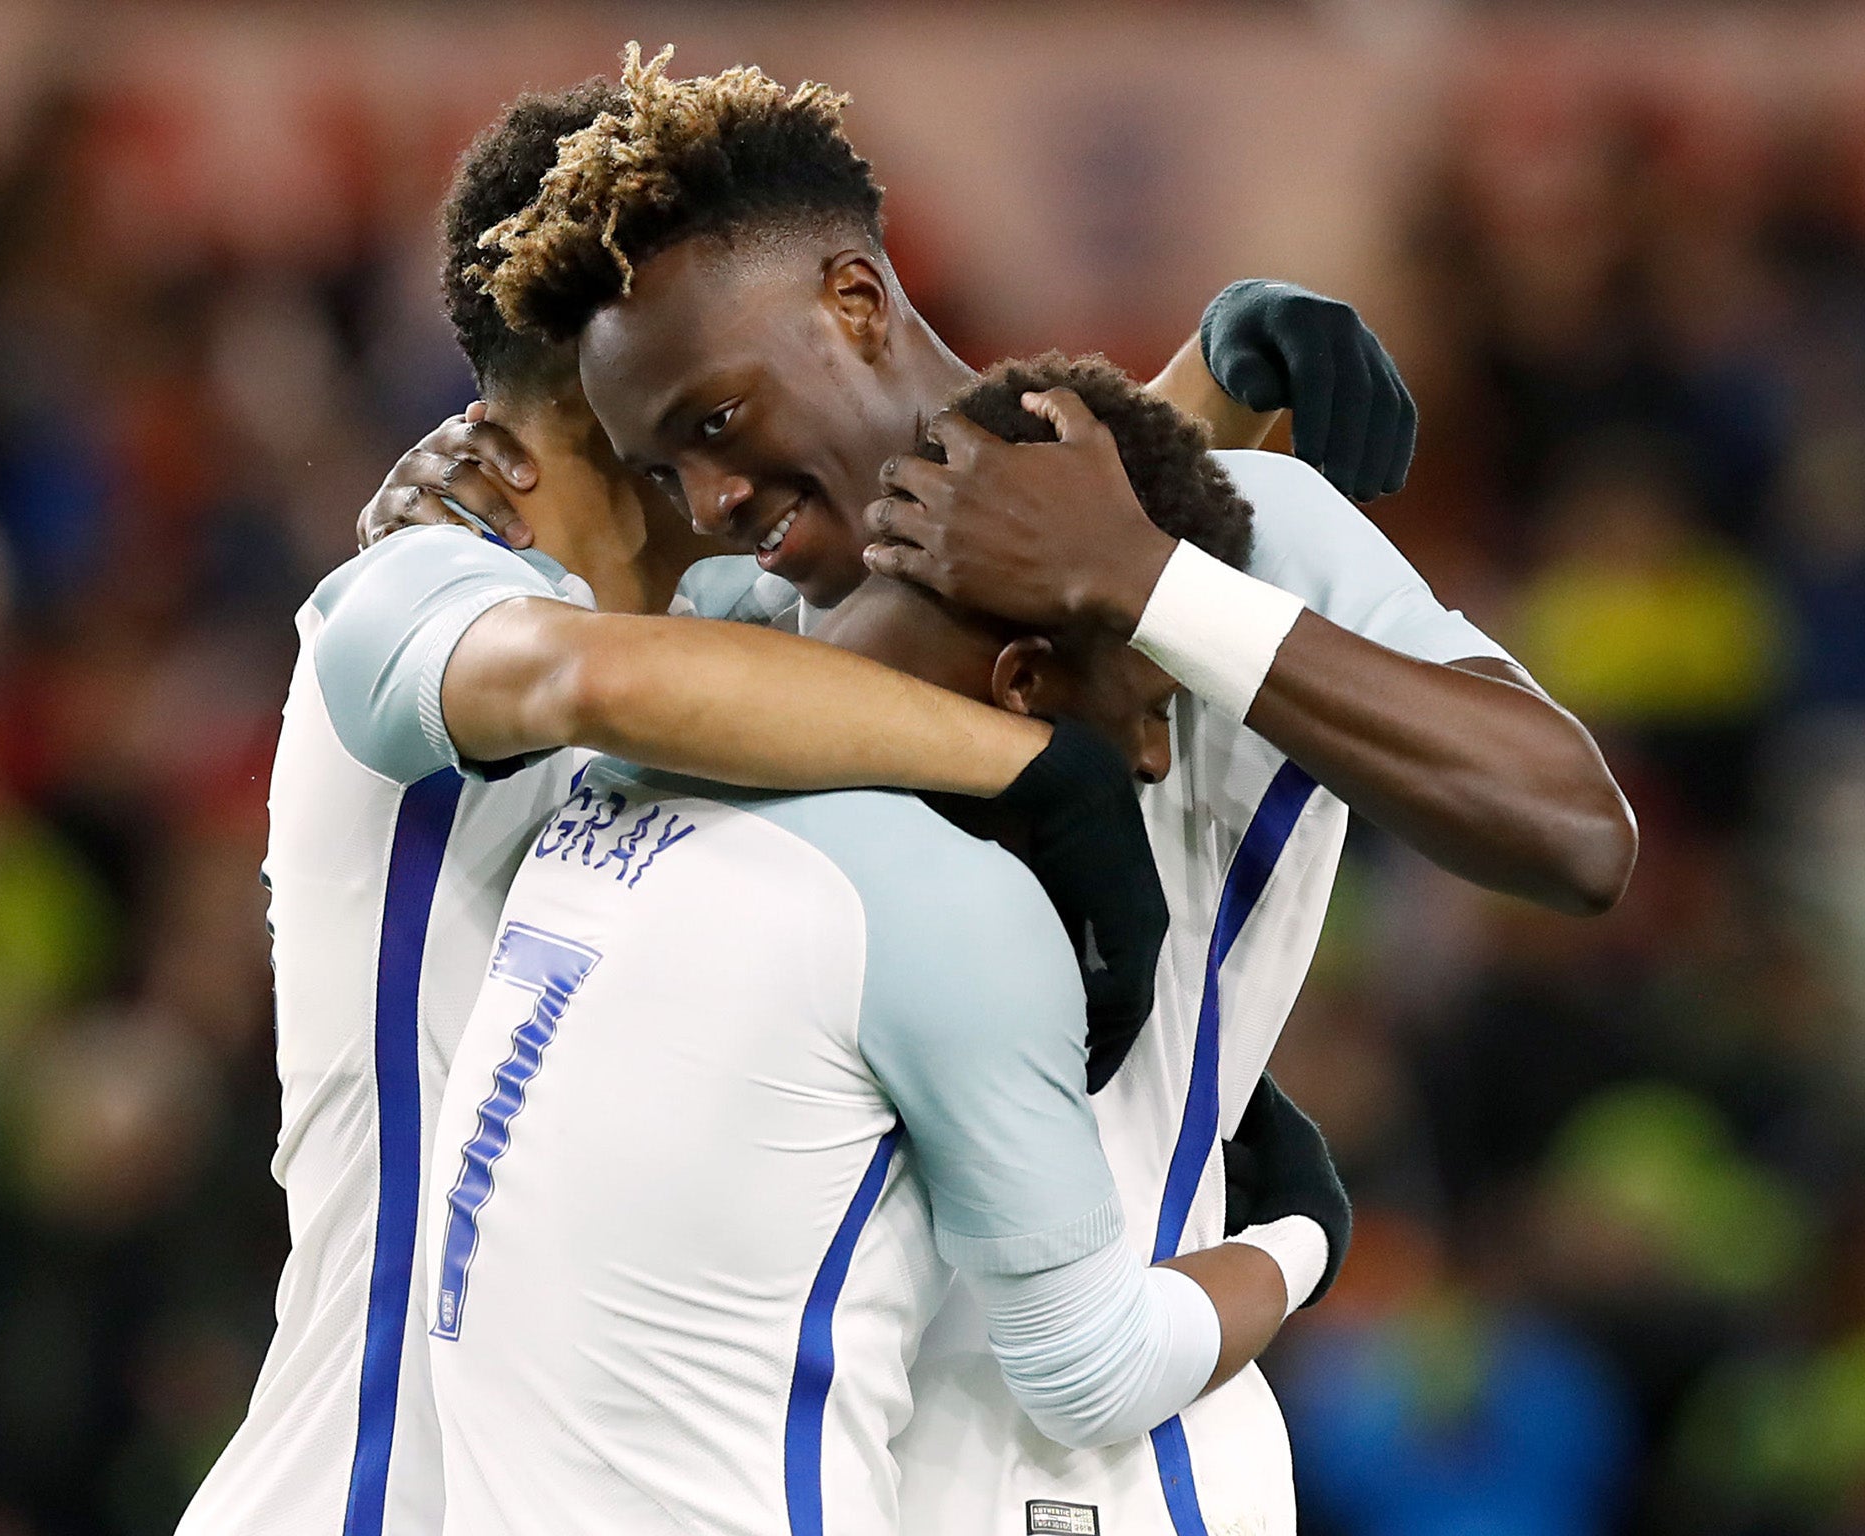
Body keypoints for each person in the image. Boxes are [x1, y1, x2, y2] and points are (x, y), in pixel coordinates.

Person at [173, 80, 1405, 1536]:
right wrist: (1028, 770)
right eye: (682, 436)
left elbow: (963, 561)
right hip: (374, 1488)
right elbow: (588, 680)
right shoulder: (413, 600)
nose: (724, 491)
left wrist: (1195, 385)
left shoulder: (730, 638)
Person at [469, 45, 1639, 1535]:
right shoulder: (739, 624)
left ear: (856, 304)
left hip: (1096, 1469)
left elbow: (1572, 831)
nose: (712, 502)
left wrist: (1147, 581)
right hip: (805, 1469)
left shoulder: (1223, 535)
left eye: (716, 423)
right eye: (663, 467)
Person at [420, 360, 1351, 1536]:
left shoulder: (612, 778)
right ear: (1020, 684)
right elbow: (1089, 1369)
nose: (1157, 763)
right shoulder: (951, 909)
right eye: (1154, 706)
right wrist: (1297, 1236)